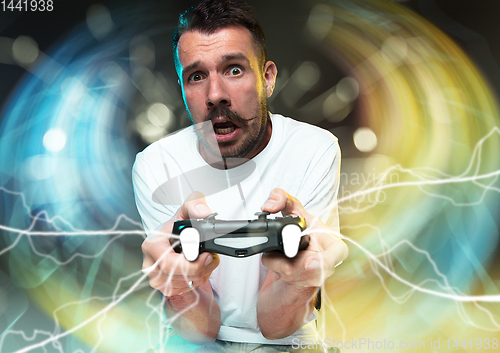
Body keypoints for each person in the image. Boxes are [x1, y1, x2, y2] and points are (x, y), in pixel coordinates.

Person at [132, 0, 348, 351]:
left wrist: (301, 281)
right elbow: (200, 327)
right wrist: (177, 287)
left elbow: (276, 324)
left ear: (268, 78)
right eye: (197, 76)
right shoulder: (156, 165)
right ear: (182, 88)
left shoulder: (315, 149)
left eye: (233, 70)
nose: (215, 95)